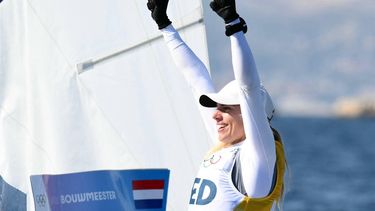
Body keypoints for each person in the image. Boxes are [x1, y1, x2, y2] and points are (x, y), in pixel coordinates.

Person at [147, 0, 287, 210]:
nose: (215, 115)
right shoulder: (223, 148)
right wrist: (164, 25)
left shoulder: (258, 160)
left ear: (250, 115)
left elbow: (248, 88)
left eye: (226, 108)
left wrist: (234, 26)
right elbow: (195, 79)